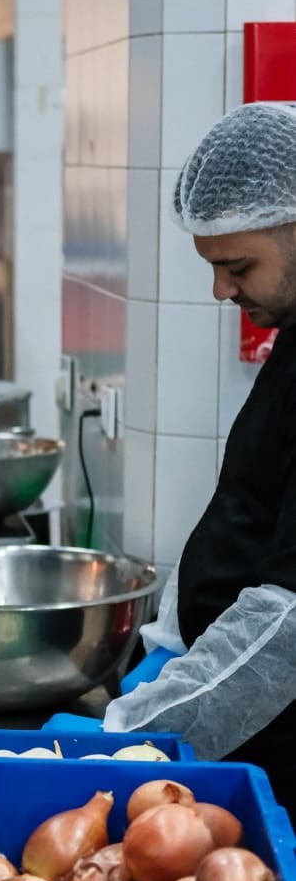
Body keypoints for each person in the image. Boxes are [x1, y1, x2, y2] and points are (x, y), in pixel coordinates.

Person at [100, 102, 296, 815]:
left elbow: (289, 624)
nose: (220, 290)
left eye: (236, 265)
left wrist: (144, 727)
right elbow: (244, 505)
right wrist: (173, 641)